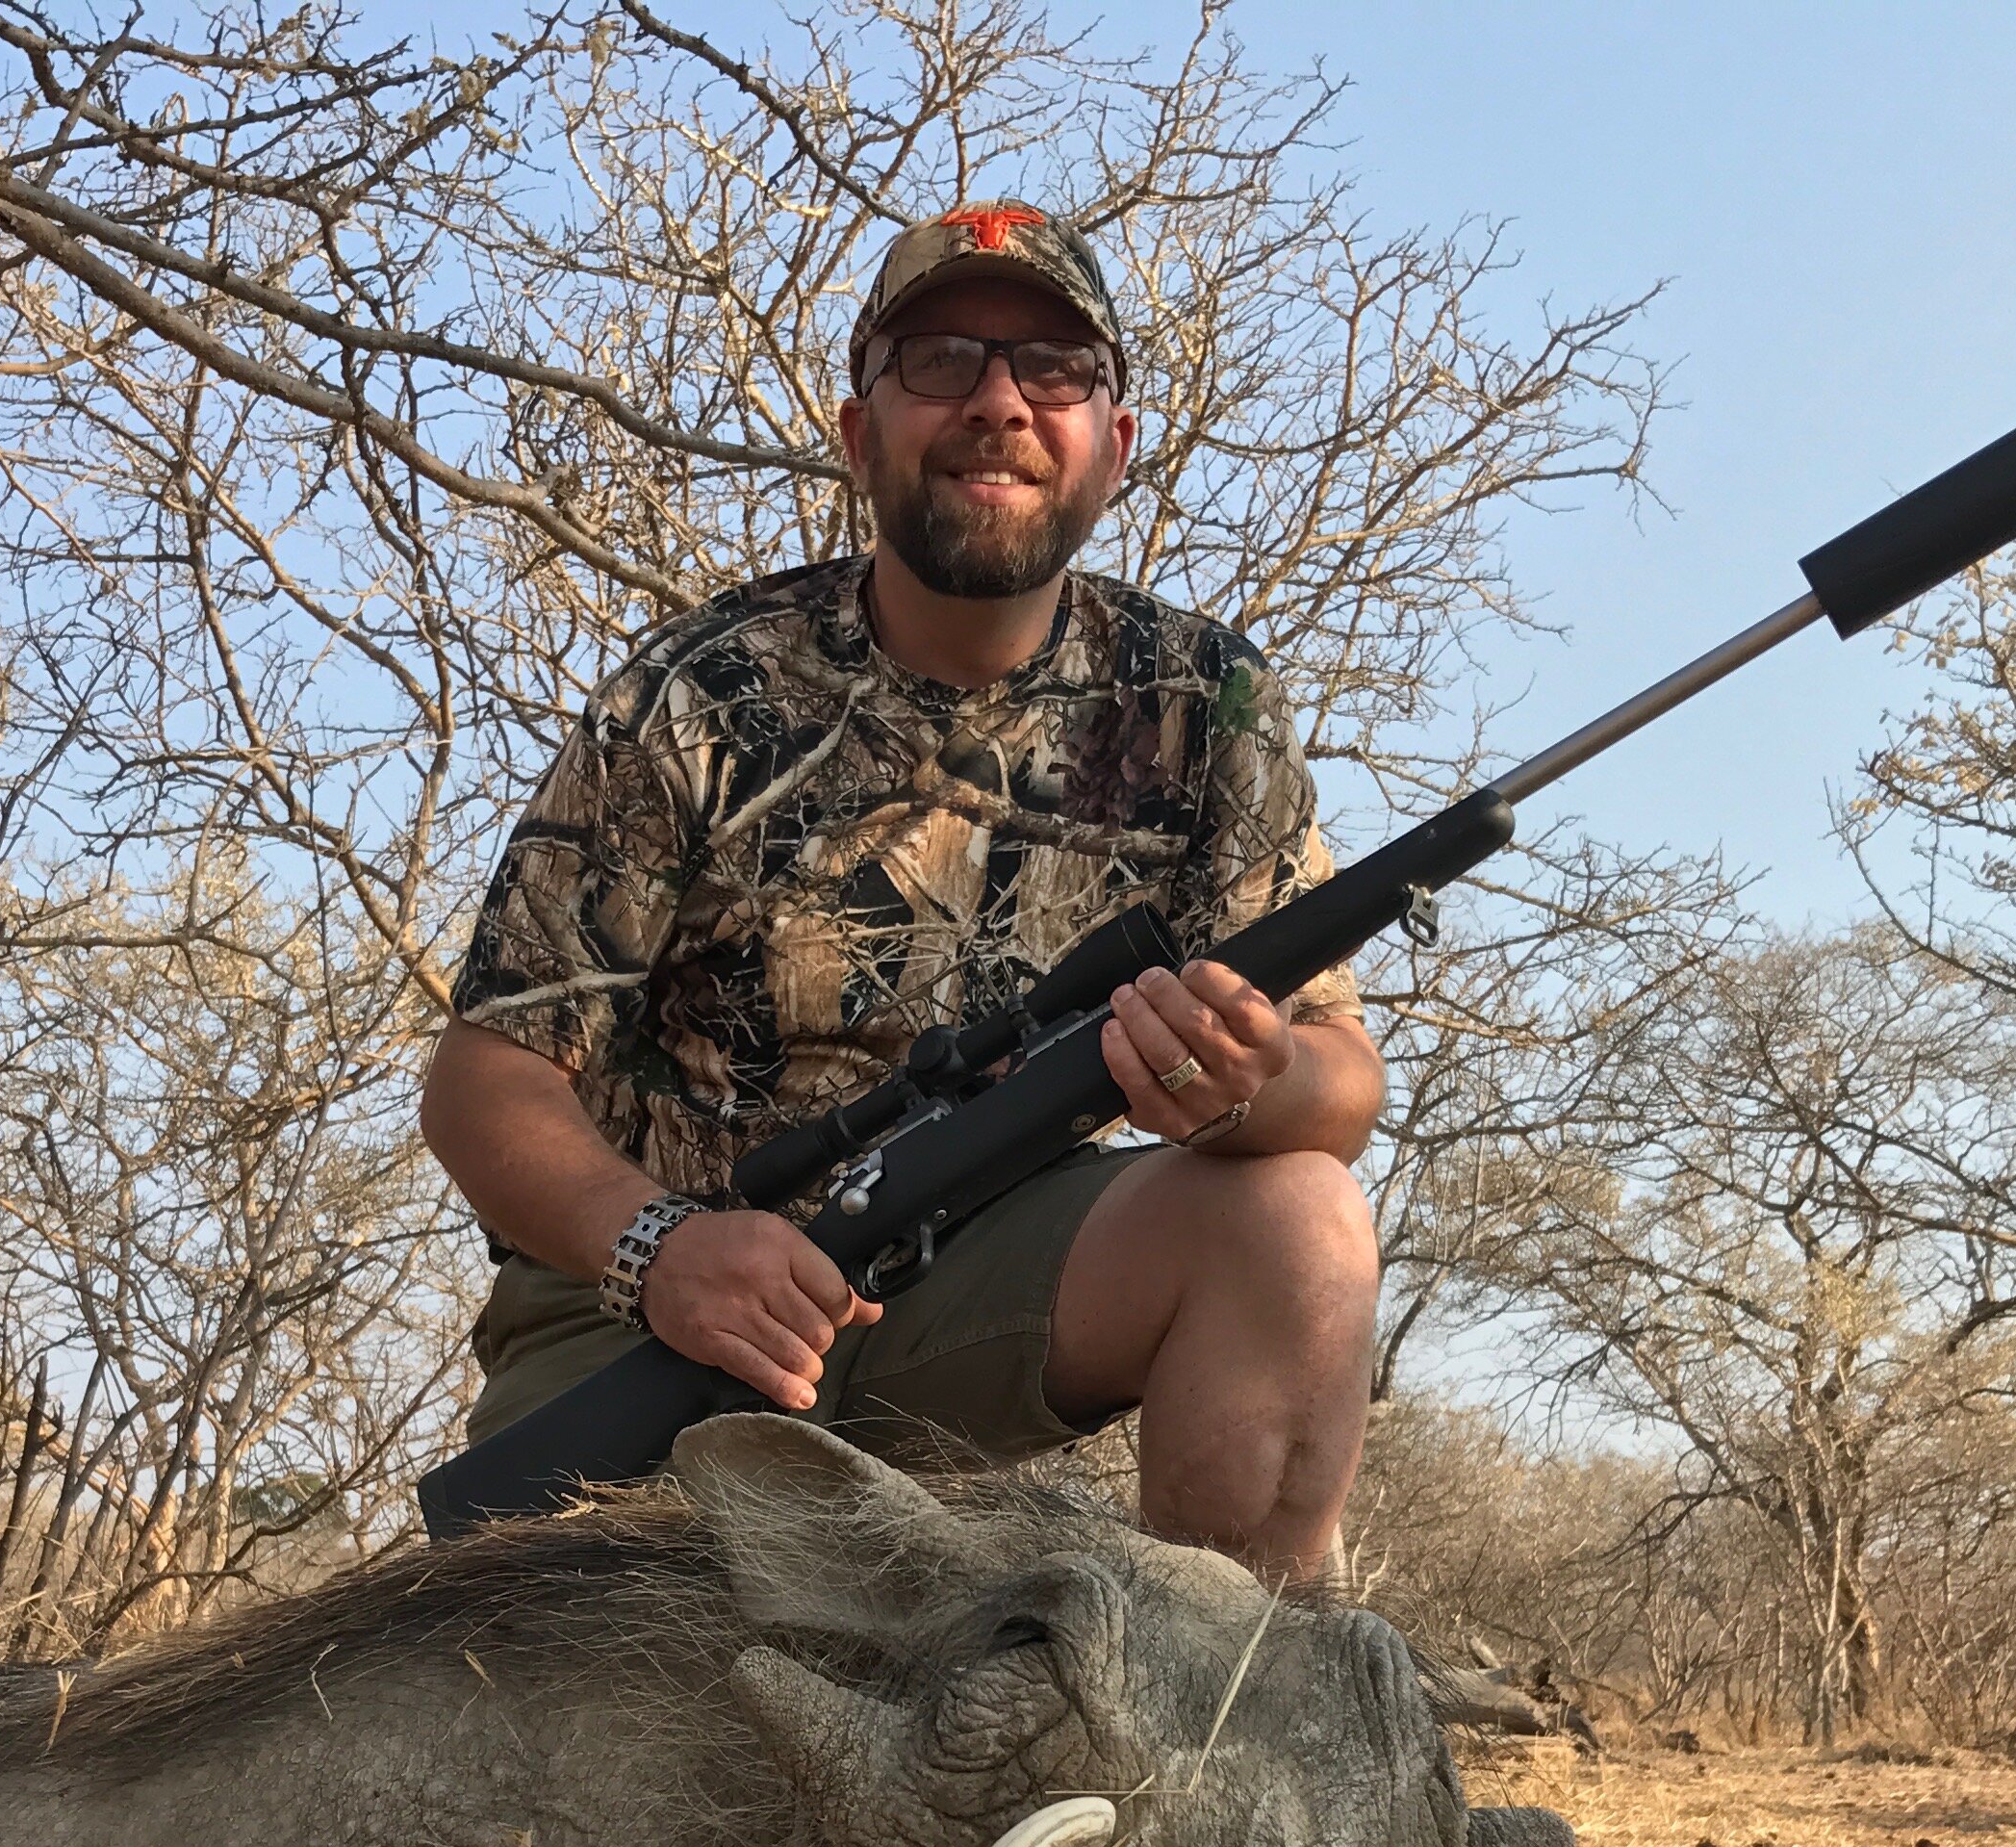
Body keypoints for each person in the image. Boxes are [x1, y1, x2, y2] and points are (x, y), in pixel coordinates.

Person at [421, 201, 1384, 1584]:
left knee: (1300, 1222)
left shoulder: (1209, 704)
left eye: (1055, 369)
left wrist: (1244, 1079)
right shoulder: (697, 690)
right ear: (858, 430)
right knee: (537, 1721)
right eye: (940, 361)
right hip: (650, 1321)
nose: (999, 403)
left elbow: (1340, 1086)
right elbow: (486, 1079)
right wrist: (662, 1248)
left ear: (1113, 447)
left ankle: (1235, 1739)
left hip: (962, 1298)